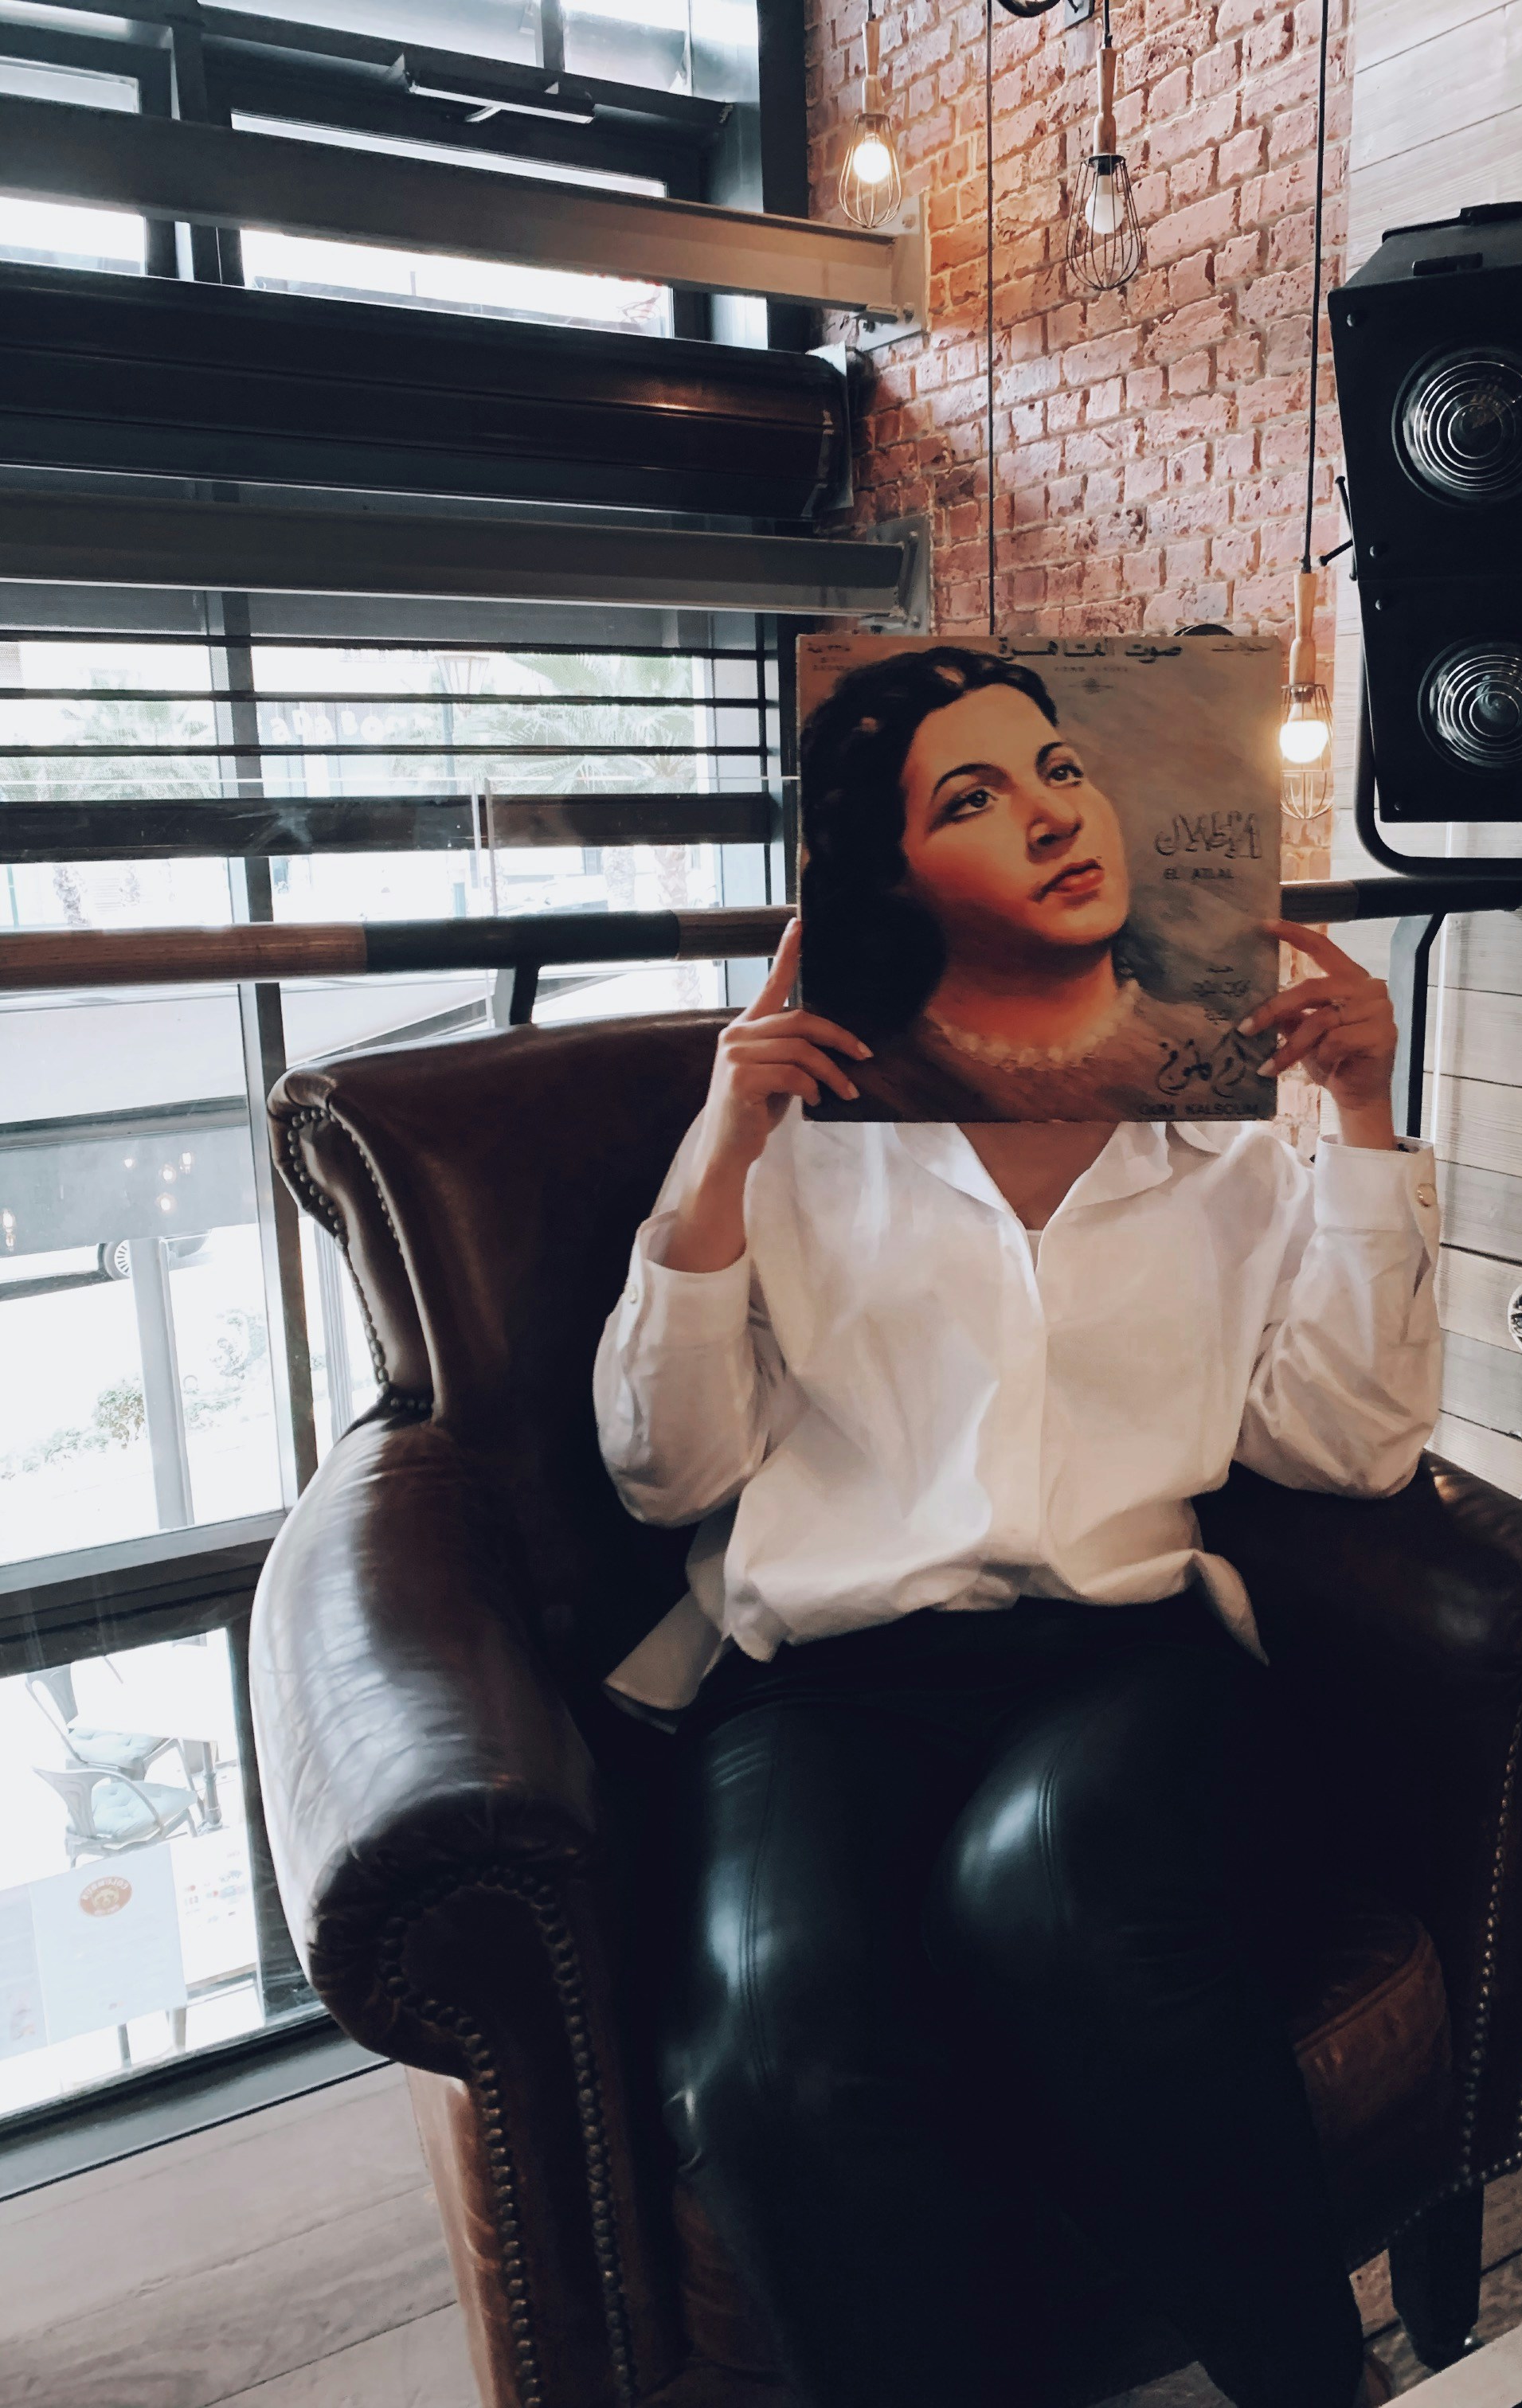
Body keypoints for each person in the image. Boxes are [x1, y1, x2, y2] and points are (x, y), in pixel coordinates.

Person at [593, 915, 1439, 2408]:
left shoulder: (1236, 1145)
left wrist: (1364, 1119)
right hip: (822, 1664)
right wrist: (724, 1147)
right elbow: (666, 1474)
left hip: (1120, 1645)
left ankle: (1315, 2382)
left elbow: (1351, 1444)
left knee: (1050, 1897)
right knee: (773, 2049)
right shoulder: (793, 1137)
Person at [798, 643, 1269, 1120]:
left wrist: (1351, 1106)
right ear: (889, 871)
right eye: (975, 799)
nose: (1060, 819)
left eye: (1061, 772)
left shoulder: (1226, 1057)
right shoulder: (862, 1088)